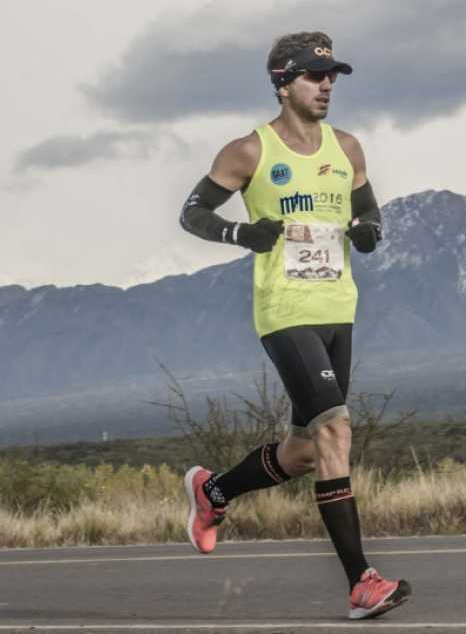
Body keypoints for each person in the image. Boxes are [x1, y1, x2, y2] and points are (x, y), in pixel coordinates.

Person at [176, 31, 409, 620]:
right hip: (285, 310)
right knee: (336, 432)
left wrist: (368, 232)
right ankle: (362, 581)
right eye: (313, 76)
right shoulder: (248, 152)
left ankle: (214, 491)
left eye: (332, 76)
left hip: (338, 309)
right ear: (283, 83)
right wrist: (240, 233)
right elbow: (193, 213)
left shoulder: (348, 148)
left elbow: (371, 213)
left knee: (307, 451)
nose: (327, 85)